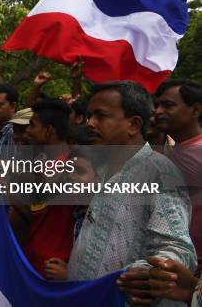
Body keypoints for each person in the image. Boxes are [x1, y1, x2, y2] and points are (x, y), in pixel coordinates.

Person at [64, 81, 195, 307]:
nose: (90, 124)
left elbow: (177, 248)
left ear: (134, 125)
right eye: (88, 116)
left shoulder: (159, 172)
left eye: (100, 116)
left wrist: (152, 272)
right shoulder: (104, 168)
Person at [19, 99, 74, 280]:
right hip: (34, 259)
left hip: (54, 266)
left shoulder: (72, 167)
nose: (27, 131)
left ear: (49, 131)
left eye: (32, 125)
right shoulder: (40, 161)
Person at [154, 79, 202, 274]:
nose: (157, 111)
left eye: (167, 105)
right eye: (156, 105)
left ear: (195, 110)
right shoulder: (176, 152)